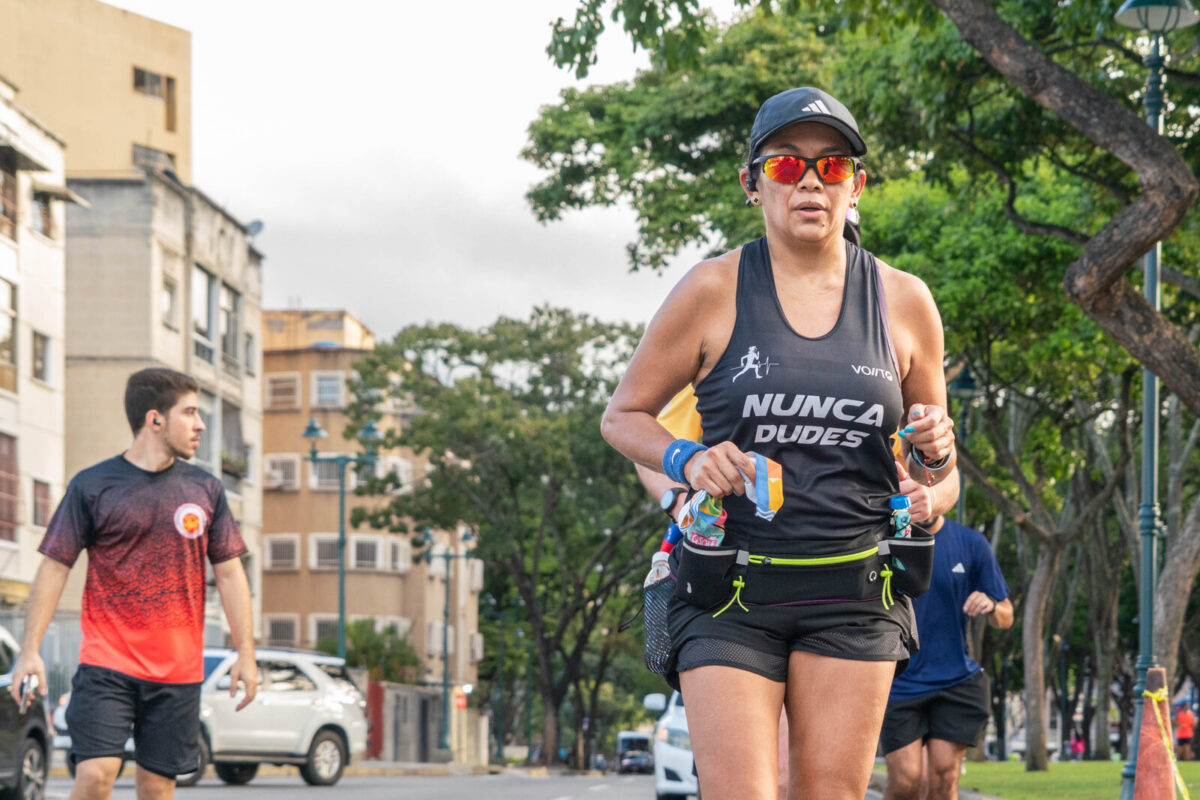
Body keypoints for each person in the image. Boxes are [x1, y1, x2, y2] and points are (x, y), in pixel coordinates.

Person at [604, 86, 956, 800]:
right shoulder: (711, 289)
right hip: (731, 588)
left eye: (832, 167)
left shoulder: (906, 301)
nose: (811, 183)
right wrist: (690, 459)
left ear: (856, 187)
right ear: (752, 182)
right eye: (787, 165)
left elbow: (941, 474)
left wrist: (935, 475)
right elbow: (624, 416)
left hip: (856, 587)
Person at [10, 368, 258, 800]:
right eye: (191, 413)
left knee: (157, 789)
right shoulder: (92, 486)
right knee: (95, 776)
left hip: (178, 670)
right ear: (155, 419)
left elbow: (231, 572)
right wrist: (30, 650)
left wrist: (246, 653)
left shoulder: (206, 489)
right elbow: (55, 567)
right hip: (108, 664)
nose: (200, 425)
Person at [879, 511, 1013, 800]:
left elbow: (1007, 615)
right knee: (906, 780)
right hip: (899, 682)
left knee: (944, 777)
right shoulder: (883, 539)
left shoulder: (971, 542)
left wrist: (991, 604)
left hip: (954, 681)